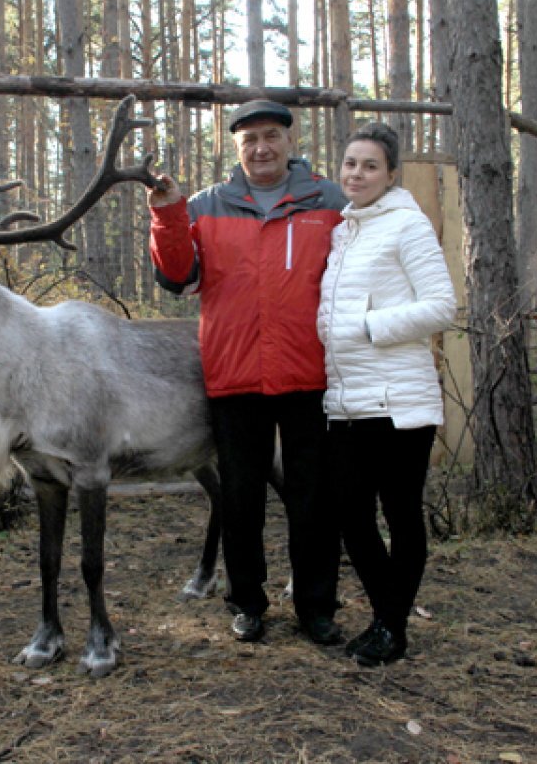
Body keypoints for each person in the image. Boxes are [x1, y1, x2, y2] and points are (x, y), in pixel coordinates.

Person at [147, 100, 347, 645]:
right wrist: (168, 215)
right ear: (235, 148)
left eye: (271, 136)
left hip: (311, 371)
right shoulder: (209, 206)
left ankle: (316, 606)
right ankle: (248, 602)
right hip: (234, 373)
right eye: (249, 140)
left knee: (313, 497)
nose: (261, 148)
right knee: (241, 498)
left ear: (288, 140)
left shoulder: (327, 200)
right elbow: (178, 275)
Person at [317, 122, 456, 666]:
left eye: (370, 165)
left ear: (391, 174)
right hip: (348, 401)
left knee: (400, 516)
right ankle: (386, 617)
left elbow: (442, 306)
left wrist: (367, 325)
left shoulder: (407, 227)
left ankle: (390, 628)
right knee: (351, 515)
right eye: (350, 163)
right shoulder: (343, 230)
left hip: (400, 403)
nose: (357, 173)